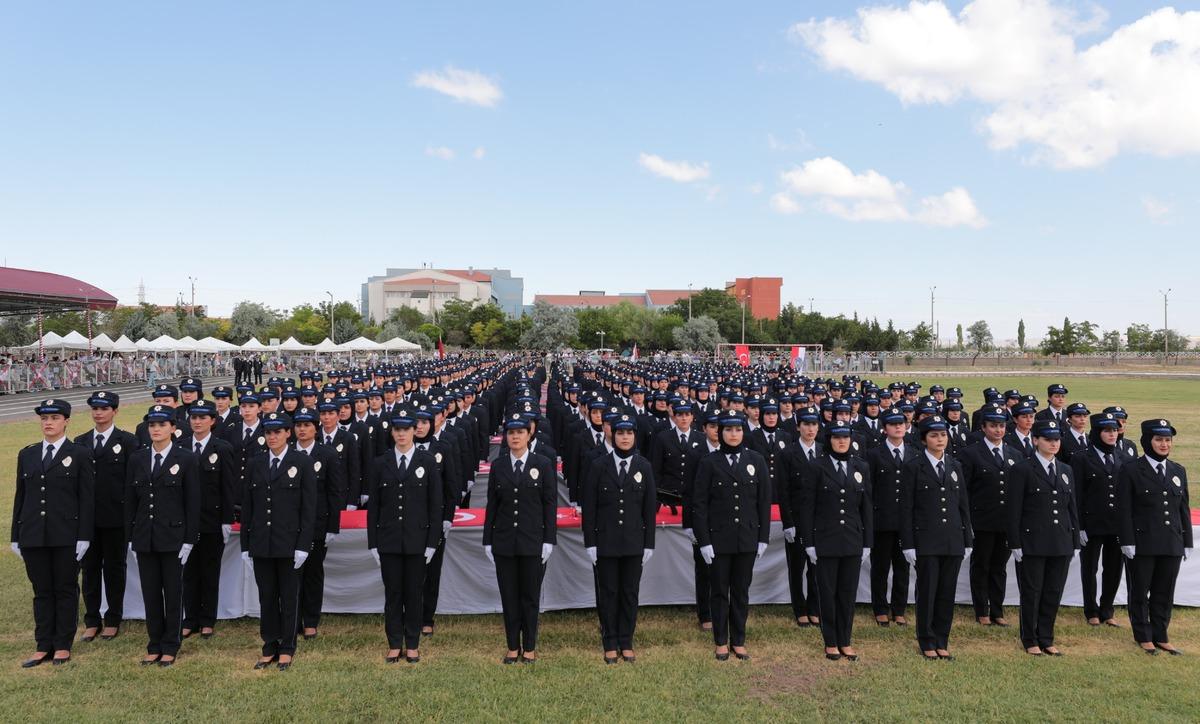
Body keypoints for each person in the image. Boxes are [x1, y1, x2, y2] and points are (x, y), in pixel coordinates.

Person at [11, 399, 94, 667]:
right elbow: (20, 497)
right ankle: (42, 644)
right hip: (34, 533)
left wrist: (84, 535)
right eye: (45, 418)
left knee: (65, 588)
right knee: (42, 590)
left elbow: (86, 499)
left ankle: (62, 644)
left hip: (65, 533)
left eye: (55, 418)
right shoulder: (28, 454)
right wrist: (16, 535)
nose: (48, 422)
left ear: (66, 421)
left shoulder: (79, 453)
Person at [240, 412, 317, 671]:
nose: (272, 437)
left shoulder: (301, 462)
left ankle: (287, 646)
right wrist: (245, 545)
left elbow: (308, 508)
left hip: (289, 542)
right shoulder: (256, 463)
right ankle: (269, 644)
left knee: (289, 595)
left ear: (288, 433)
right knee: (267, 596)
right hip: (262, 542)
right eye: (268, 432)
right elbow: (248, 508)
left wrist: (303, 545)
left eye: (277, 432)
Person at [692, 410, 770, 662]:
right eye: (728, 430)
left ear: (743, 431)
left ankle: (739, 640)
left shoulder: (756, 460)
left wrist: (763, 537)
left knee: (741, 592)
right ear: (720, 433)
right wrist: (704, 540)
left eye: (737, 430)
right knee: (719, 592)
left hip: (746, 538)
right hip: (719, 540)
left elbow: (763, 503)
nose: (733, 434)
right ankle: (721, 641)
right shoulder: (708, 462)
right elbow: (700, 505)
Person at [126, 405, 200, 666]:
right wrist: (131, 537)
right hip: (146, 536)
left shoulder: (186, 458)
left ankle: (171, 644)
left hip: (173, 538)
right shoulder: (137, 458)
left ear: (173, 428)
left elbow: (192, 503)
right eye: (152, 425)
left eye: (161, 425)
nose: (156, 430)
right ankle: (154, 642)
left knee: (173, 592)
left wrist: (190, 539)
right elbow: (131, 501)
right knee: (150, 593)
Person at [367, 407, 440, 663]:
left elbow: (435, 505)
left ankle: (412, 643)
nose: (401, 434)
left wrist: (432, 542)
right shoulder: (381, 463)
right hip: (389, 541)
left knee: (414, 594)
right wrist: (373, 543)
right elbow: (374, 506)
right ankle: (394, 642)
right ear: (392, 432)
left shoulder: (427, 461)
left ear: (413, 432)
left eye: (406, 429)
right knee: (393, 594)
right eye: (397, 429)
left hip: (417, 541)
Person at [581, 414, 656, 664]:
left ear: (635, 436)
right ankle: (610, 641)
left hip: (634, 542)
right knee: (609, 592)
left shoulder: (643, 466)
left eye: (629, 433)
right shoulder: (598, 465)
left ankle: (626, 640)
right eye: (620, 433)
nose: (625, 437)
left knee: (630, 593)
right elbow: (589, 508)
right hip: (607, 542)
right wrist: (590, 542)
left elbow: (649, 509)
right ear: (612, 435)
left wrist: (649, 543)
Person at [483, 413, 557, 664]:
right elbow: (492, 505)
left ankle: (530, 646)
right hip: (504, 541)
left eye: (520, 432)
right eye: (511, 432)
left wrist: (549, 539)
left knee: (530, 596)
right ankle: (512, 645)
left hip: (532, 540)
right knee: (509, 595)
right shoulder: (498, 465)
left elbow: (549, 505)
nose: (515, 436)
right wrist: (487, 540)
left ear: (529, 434)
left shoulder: (543, 464)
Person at [1117, 418, 1193, 655]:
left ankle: (1161, 634)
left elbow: (1184, 509)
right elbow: (1124, 509)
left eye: (1167, 440)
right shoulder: (1131, 469)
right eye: (1159, 439)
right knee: (1140, 591)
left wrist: (1187, 541)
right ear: (1147, 441)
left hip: (1171, 542)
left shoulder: (1177, 471)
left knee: (1164, 591)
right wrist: (1127, 540)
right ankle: (1143, 635)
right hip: (1143, 543)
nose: (1164, 444)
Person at [800, 420, 872, 661]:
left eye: (845, 437)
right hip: (826, 539)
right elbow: (807, 508)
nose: (842, 441)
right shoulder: (815, 467)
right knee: (828, 593)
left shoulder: (860, 466)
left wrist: (867, 542)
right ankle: (830, 640)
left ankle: (846, 640)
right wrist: (809, 542)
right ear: (828, 440)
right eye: (836, 437)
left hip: (852, 539)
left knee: (847, 593)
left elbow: (867, 508)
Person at [901, 415, 972, 660]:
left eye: (943, 435)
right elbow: (907, 508)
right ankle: (927, 640)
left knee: (946, 592)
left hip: (952, 539)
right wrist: (908, 543)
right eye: (934, 435)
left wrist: (967, 538)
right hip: (927, 540)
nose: (940, 439)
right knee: (928, 591)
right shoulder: (913, 466)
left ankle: (942, 639)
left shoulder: (955, 466)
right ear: (924, 440)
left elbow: (963, 505)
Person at [1008, 419, 1079, 656]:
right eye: (1048, 439)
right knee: (1032, 592)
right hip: (1033, 541)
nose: (1053, 443)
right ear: (1036, 440)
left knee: (1053, 591)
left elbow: (1071, 509)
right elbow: (1013, 509)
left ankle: (1047, 637)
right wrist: (1015, 542)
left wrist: (1075, 540)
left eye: (1057, 439)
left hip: (1060, 541)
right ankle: (1030, 638)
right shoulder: (1022, 469)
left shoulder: (1066, 470)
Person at [76, 390, 137, 642]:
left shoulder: (127, 441)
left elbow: (133, 483)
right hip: (87, 519)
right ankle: (92, 619)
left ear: (115, 411)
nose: (98, 412)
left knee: (114, 569)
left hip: (115, 518)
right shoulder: (80, 442)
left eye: (104, 408)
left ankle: (113, 618)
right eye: (95, 408)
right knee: (89, 570)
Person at [177, 400, 236, 639]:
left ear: (213, 421)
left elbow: (228, 487)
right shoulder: (180, 447)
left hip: (212, 520)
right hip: (185, 522)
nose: (197, 422)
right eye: (194, 417)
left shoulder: (222, 448)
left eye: (203, 418)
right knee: (188, 573)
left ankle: (207, 619)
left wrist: (225, 519)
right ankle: (190, 618)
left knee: (209, 572)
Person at [958, 403, 1017, 626]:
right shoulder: (970, 454)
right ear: (983, 427)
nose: (998, 430)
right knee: (981, 565)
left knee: (999, 567)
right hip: (981, 521)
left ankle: (998, 610)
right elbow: (964, 490)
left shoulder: (1014, 454)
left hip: (1005, 522)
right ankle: (982, 610)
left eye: (1001, 426)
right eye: (993, 426)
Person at [291, 406, 346, 640]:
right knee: (291, 576)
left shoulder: (328, 454)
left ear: (316, 428)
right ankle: (292, 619)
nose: (302, 430)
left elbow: (335, 493)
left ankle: (311, 619)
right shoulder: (286, 453)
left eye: (307, 425)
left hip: (316, 524)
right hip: (289, 525)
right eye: (299, 425)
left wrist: (332, 526)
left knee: (312, 574)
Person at [863, 407, 917, 626]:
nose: (898, 427)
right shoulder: (874, 455)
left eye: (901, 423)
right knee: (881, 567)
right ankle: (880, 608)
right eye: (893, 424)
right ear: (884, 428)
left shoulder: (914, 452)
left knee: (903, 568)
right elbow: (869, 490)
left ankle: (899, 608)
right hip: (882, 521)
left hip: (906, 522)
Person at [1072, 412, 1126, 627]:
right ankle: (1091, 610)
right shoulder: (1081, 458)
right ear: (1097, 432)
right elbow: (1076, 494)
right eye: (1107, 430)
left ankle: (1107, 609)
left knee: (1113, 568)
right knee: (1089, 568)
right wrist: (1080, 526)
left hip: (1116, 524)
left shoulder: (1123, 458)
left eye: (1114, 430)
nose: (1112, 434)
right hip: (1092, 524)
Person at [784, 405, 823, 627]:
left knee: (816, 567)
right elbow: (784, 489)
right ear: (798, 426)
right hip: (797, 519)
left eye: (814, 424)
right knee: (797, 567)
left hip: (819, 519)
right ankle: (799, 608)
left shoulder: (823, 450)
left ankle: (814, 607)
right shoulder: (788, 453)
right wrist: (788, 522)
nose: (810, 429)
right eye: (806, 424)